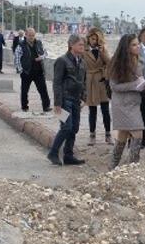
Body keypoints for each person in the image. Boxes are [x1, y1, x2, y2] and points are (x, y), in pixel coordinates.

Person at [106, 32, 145, 169]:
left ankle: (113, 166)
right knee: (138, 133)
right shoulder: (117, 63)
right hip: (121, 103)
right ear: (126, 47)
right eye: (134, 45)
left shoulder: (141, 61)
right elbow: (114, 86)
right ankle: (132, 167)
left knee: (122, 135)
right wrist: (135, 86)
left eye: (138, 44)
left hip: (135, 103)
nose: (137, 47)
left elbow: (142, 80)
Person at [48, 34, 88, 166]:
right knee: (66, 127)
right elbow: (57, 83)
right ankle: (53, 153)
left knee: (74, 128)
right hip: (65, 99)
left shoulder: (82, 62)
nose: (83, 47)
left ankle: (68, 155)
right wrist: (57, 103)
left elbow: (83, 81)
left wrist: (84, 98)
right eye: (80, 45)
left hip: (76, 100)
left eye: (83, 45)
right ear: (71, 45)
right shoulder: (62, 61)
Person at [83, 27, 112, 145]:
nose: (94, 41)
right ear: (88, 39)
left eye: (96, 39)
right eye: (92, 39)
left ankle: (108, 134)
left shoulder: (102, 50)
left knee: (105, 110)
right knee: (92, 110)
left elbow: (109, 62)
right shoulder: (84, 51)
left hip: (101, 80)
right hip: (90, 80)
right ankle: (92, 135)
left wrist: (102, 51)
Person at [16, 28, 52, 112]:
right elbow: (17, 58)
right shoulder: (21, 45)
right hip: (26, 71)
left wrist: (41, 57)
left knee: (43, 89)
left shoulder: (39, 43)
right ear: (26, 35)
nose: (31, 37)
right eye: (30, 35)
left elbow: (45, 53)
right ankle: (24, 107)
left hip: (38, 71)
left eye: (33, 35)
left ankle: (46, 106)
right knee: (24, 91)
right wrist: (21, 70)